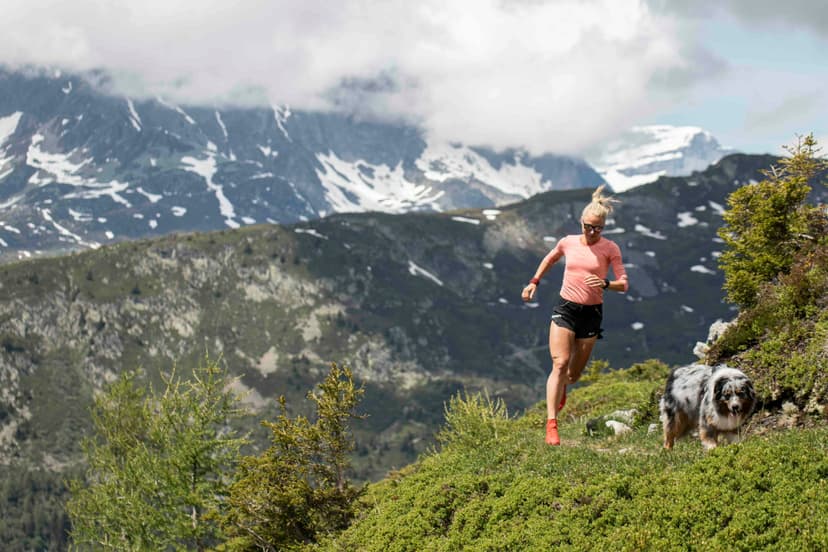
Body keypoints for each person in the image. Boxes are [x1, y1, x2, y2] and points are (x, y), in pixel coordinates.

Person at [521, 185, 629, 446]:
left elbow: (623, 283)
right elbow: (550, 258)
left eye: (598, 228)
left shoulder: (610, 248)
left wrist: (605, 284)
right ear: (581, 222)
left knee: (573, 374)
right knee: (559, 363)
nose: (592, 232)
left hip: (591, 314)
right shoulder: (567, 242)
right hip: (565, 308)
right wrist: (534, 281)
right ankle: (551, 424)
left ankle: (564, 388)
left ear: (603, 227)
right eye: (588, 226)